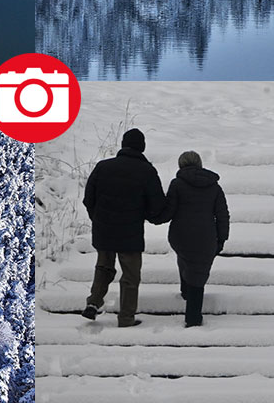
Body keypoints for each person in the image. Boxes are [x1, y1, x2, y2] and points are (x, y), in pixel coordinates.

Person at [82, 128, 166, 327]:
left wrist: (98, 219)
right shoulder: (146, 171)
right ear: (142, 147)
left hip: (104, 229)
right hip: (130, 233)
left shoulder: (103, 167)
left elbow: (88, 199)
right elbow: (157, 206)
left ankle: (93, 303)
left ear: (123, 145)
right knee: (130, 275)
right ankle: (126, 317)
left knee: (103, 267)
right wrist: (153, 216)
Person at [156, 150, 229, 327]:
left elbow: (168, 212)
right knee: (198, 272)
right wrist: (222, 239)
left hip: (180, 235)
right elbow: (222, 216)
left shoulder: (177, 184)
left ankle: (186, 293)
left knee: (186, 260)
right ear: (200, 164)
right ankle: (193, 317)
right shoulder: (214, 187)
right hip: (206, 237)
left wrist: (153, 214)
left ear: (181, 165)